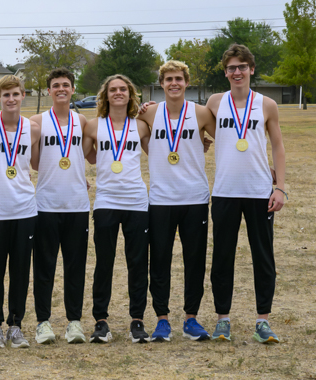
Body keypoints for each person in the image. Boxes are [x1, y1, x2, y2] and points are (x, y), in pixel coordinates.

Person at [204, 44, 286, 344]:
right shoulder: (214, 102)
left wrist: (280, 187)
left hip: (259, 191)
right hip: (225, 191)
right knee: (222, 257)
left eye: (242, 67)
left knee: (263, 257)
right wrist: (148, 110)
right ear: (225, 72)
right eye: (231, 68)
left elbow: (277, 146)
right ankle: (222, 319)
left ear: (251, 69)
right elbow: (186, 117)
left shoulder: (266, 104)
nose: (236, 72)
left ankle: (262, 320)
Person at [137, 61, 216, 342]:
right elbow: (131, 138)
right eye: (168, 79)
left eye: (179, 79)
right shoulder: (149, 113)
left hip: (195, 198)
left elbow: (229, 139)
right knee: (159, 260)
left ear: (187, 83)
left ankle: (191, 318)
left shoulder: (201, 112)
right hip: (160, 199)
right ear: (161, 83)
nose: (174, 83)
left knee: (194, 261)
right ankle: (162, 320)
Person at [81, 75, 151, 343]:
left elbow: (157, 151)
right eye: (113, 89)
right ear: (106, 95)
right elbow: (84, 155)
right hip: (106, 202)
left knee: (137, 262)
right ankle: (101, 321)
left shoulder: (141, 126)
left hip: (136, 201)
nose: (118, 93)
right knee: (104, 262)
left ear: (131, 94)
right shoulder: (93, 126)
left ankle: (137, 320)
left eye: (123, 89)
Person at [0, 75, 40, 349]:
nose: (11, 99)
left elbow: (35, 163)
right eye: (5, 95)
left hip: (25, 210)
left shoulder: (33, 129)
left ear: (23, 95)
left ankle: (15, 326)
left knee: (20, 271)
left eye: (15, 94)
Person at [29, 68, 91, 345]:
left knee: (75, 266)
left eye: (66, 84)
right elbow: (32, 160)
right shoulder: (37, 122)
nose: (61, 89)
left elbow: (88, 154)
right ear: (48, 91)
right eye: (56, 85)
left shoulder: (83, 122)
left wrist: (78, 174)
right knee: (44, 266)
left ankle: (74, 322)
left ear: (73, 89)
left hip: (77, 204)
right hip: (46, 204)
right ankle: (43, 322)